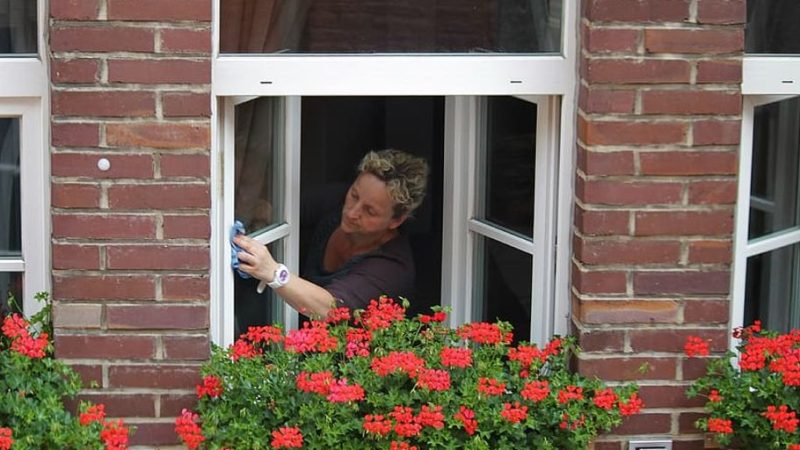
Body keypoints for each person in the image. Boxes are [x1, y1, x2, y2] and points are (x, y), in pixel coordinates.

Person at [234, 149, 429, 318]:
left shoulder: (392, 268)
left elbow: (330, 309)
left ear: (396, 221)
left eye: (370, 211)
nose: (352, 212)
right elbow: (277, 210)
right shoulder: (337, 200)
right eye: (354, 195)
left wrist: (273, 272)